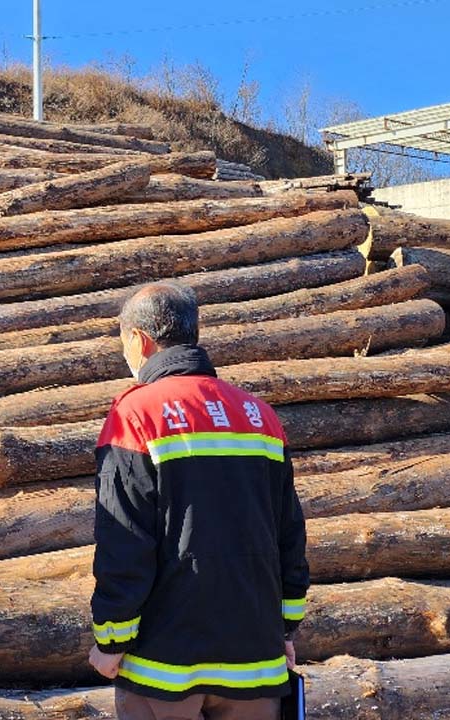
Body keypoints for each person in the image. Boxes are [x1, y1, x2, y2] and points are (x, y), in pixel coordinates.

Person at [87, 282, 310, 720]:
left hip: (163, 666)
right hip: (255, 659)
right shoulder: (259, 415)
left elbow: (123, 537)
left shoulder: (135, 414)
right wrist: (285, 628)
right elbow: (289, 534)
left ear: (140, 340)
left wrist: (111, 639)